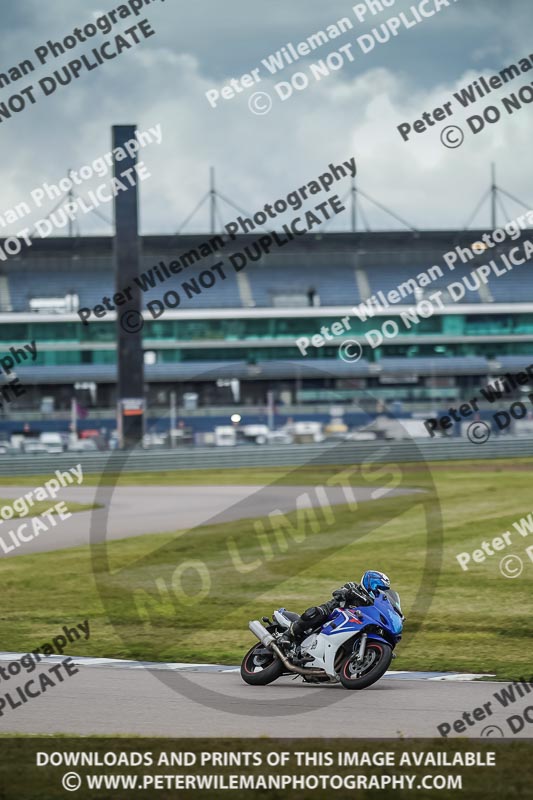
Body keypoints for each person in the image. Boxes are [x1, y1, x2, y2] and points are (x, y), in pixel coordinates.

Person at [284, 570, 392, 645]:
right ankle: (287, 635)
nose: (377, 590)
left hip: (348, 626)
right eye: (376, 586)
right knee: (315, 613)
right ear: (368, 582)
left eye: (381, 589)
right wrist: (349, 593)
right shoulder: (353, 587)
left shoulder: (371, 604)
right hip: (331, 614)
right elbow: (337, 593)